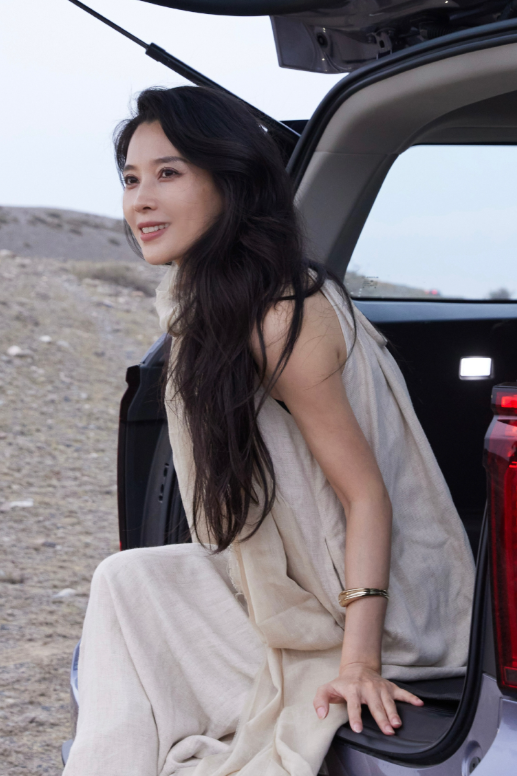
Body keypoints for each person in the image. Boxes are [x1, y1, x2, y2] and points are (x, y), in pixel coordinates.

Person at [63, 86, 475, 776]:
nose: (141, 202)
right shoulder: (207, 309)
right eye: (131, 180)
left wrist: (359, 664)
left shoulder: (282, 314)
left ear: (229, 182)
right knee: (126, 581)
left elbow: (366, 496)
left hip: (375, 615)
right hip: (289, 589)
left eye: (168, 173)